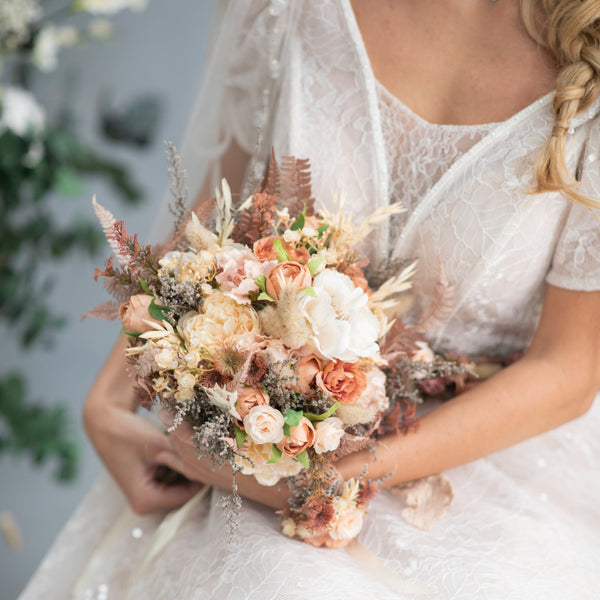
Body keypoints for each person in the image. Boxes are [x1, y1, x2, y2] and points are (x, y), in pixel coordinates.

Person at [20, 1, 600, 598]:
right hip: (264, 424)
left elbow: (568, 367)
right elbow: (225, 206)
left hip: (489, 448)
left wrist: (331, 480)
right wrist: (110, 396)